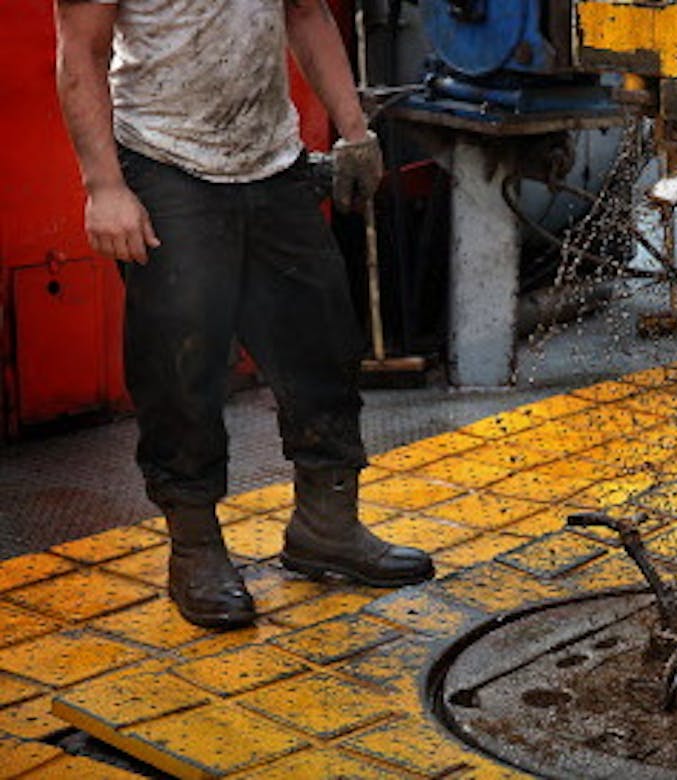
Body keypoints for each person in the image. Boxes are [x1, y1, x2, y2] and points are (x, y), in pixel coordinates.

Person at [54, 0, 434, 629]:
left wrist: (355, 131)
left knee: (323, 347)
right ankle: (196, 550)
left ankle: (326, 525)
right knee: (182, 370)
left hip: (273, 161)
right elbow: (80, 50)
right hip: (164, 163)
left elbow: (307, 13)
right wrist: (105, 187)